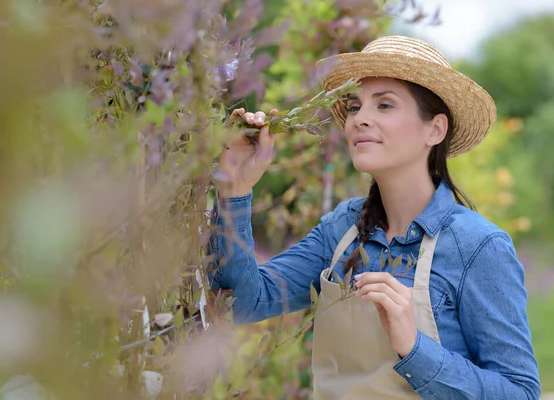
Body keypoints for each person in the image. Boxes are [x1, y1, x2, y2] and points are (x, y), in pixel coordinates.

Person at [207, 35, 541, 399]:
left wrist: (414, 348)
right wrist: (235, 189)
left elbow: (520, 392)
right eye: (354, 107)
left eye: (384, 106)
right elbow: (239, 303)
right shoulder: (341, 228)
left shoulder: (477, 247)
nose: (360, 119)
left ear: (435, 129)